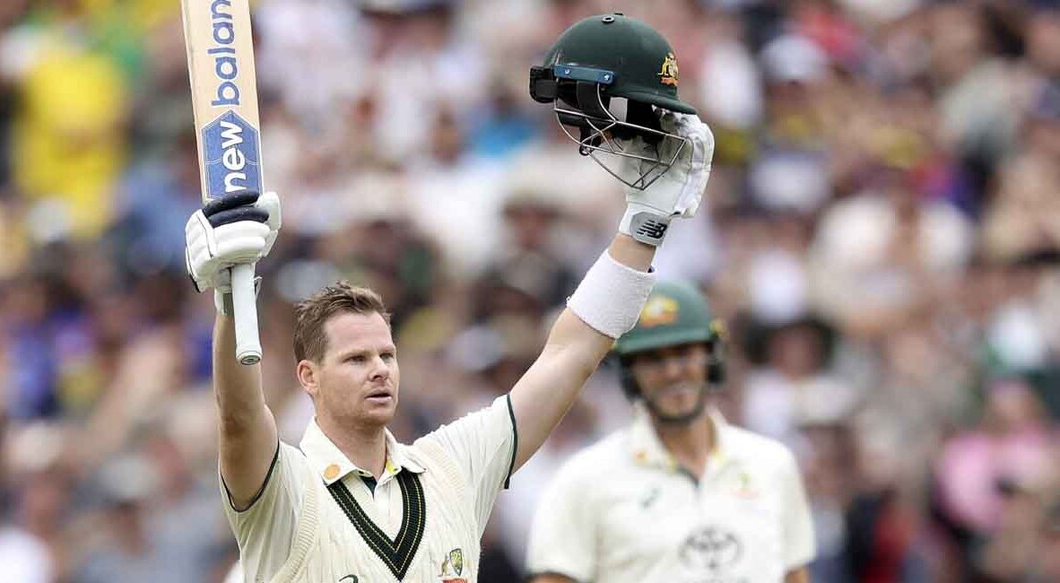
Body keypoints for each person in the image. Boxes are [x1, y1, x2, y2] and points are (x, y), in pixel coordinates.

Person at [183, 13, 713, 581]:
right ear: (307, 376)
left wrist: (645, 225)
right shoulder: (284, 488)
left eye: (386, 356)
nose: (379, 371)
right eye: (356, 359)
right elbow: (238, 416)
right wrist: (228, 295)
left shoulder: (452, 466)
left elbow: (572, 352)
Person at [526, 281, 816, 583]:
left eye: (684, 352)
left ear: (712, 356)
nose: (672, 371)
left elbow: (794, 575)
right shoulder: (583, 479)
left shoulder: (772, 463)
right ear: (629, 372)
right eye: (653, 358)